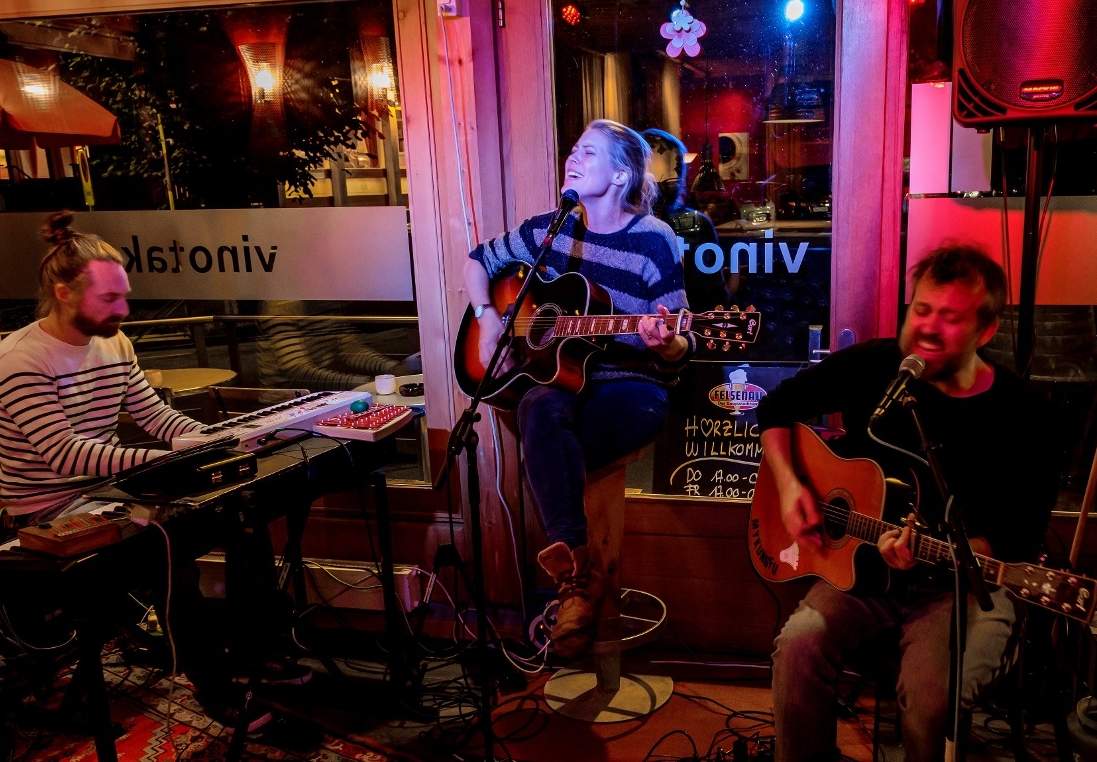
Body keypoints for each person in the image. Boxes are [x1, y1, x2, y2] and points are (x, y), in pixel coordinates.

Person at [0, 211, 317, 746]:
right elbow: (63, 454)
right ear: (65, 291)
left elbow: (157, 418)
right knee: (169, 542)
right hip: (50, 508)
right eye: (110, 300)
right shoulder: (23, 358)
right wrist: (160, 461)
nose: (125, 309)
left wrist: (215, 440)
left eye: (125, 296)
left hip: (105, 486)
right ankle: (215, 689)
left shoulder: (114, 344)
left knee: (241, 509)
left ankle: (255, 654)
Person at [755, 244, 1058, 762]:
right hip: (862, 575)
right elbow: (775, 408)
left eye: (950, 317)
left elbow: (1020, 536)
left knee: (931, 698)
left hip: (960, 586)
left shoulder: (1023, 413)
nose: (928, 328)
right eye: (921, 310)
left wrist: (942, 552)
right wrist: (789, 486)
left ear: (985, 332)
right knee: (799, 645)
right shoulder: (877, 366)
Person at [463, 119, 694, 657]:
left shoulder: (653, 239)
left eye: (587, 152)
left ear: (619, 174)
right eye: (572, 149)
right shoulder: (551, 231)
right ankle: (577, 581)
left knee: (547, 438)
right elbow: (479, 262)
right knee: (542, 406)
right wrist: (486, 317)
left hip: (630, 384)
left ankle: (575, 581)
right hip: (561, 380)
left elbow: (681, 341)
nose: (573, 157)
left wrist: (664, 342)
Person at [641, 128, 739, 312]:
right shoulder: (610, 223)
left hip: (686, 330)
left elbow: (715, 296)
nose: (671, 179)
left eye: (675, 168)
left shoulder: (696, 224)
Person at [257, 299, 420, 392]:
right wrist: (369, 383)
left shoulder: (324, 299)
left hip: (319, 392)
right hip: (286, 400)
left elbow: (348, 348)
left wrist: (393, 369)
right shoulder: (282, 304)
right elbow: (298, 372)